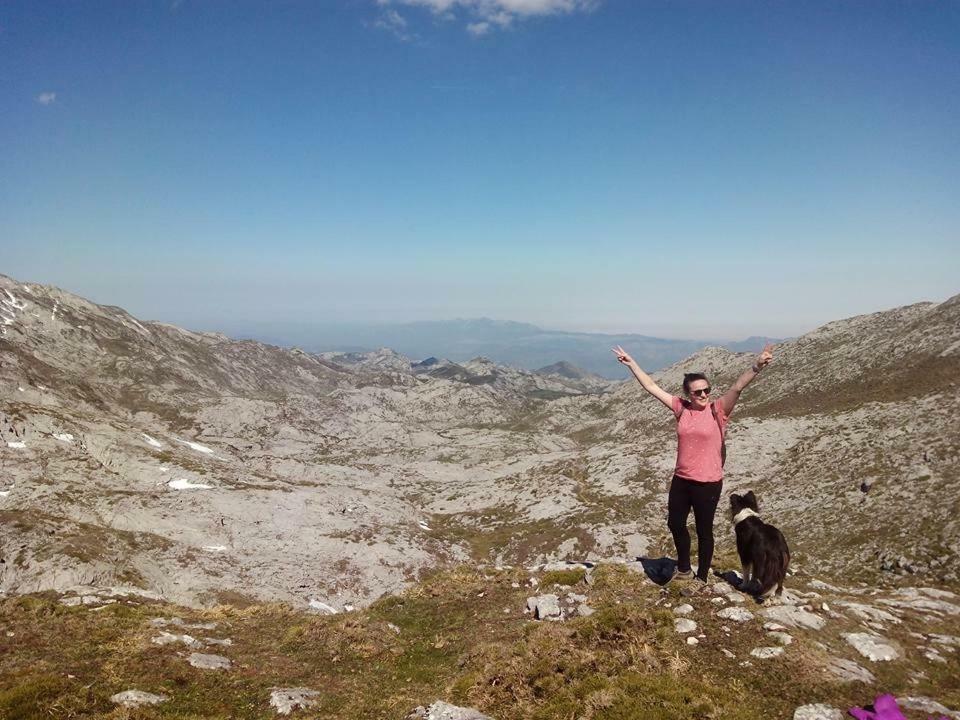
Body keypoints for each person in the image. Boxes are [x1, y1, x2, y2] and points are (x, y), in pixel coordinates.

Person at [612, 343, 774, 592]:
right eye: (697, 392)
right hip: (682, 479)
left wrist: (757, 366)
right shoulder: (681, 408)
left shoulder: (718, 410)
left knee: (703, 531)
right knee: (675, 524)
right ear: (688, 394)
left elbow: (737, 387)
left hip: (708, 482)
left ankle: (702, 577)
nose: (703, 395)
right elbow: (652, 387)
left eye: (706, 390)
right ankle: (684, 569)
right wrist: (631, 363)